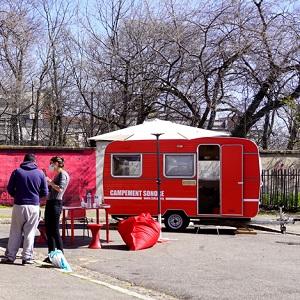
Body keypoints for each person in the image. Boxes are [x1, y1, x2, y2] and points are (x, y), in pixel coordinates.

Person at [1, 153, 48, 265]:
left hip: (19, 205)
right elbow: (45, 192)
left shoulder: (17, 172)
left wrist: (17, 195)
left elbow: (10, 189)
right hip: (34, 206)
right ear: (34, 162)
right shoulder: (40, 173)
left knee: (15, 232)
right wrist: (36, 197)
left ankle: (10, 256)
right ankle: (26, 257)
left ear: (24, 161)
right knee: (30, 232)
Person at [44, 156, 70, 262]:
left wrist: (50, 182)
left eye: (52, 163)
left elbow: (60, 189)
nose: (50, 166)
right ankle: (51, 255)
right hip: (51, 203)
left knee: (54, 230)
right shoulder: (58, 174)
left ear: (57, 164)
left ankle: (61, 254)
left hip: (56, 203)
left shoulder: (63, 174)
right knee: (49, 230)